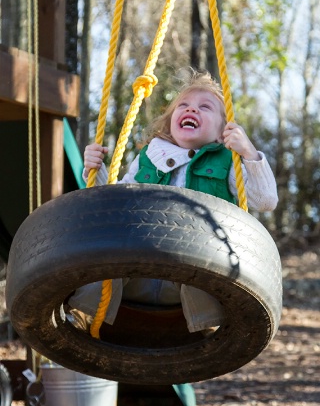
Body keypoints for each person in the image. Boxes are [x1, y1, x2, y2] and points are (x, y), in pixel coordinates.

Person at [68, 68, 278, 333]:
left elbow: (266, 200)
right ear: (170, 121)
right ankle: (85, 313)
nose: (192, 110)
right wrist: (94, 171)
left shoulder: (227, 162)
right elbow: (114, 202)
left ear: (222, 132)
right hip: (138, 272)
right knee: (105, 253)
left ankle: (209, 325)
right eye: (184, 105)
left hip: (193, 283)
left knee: (203, 255)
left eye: (205, 107)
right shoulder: (149, 157)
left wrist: (248, 152)